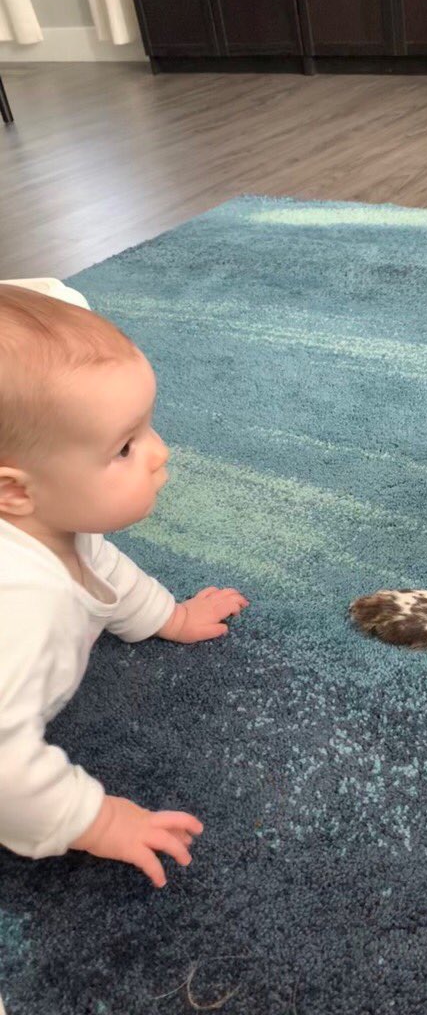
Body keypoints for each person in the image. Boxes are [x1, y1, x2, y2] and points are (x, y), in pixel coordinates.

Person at [0, 285, 249, 887]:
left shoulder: (52, 526)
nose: (161, 453)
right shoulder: (24, 606)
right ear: (14, 492)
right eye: (125, 447)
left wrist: (173, 617)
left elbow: (102, 565)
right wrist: (97, 819)